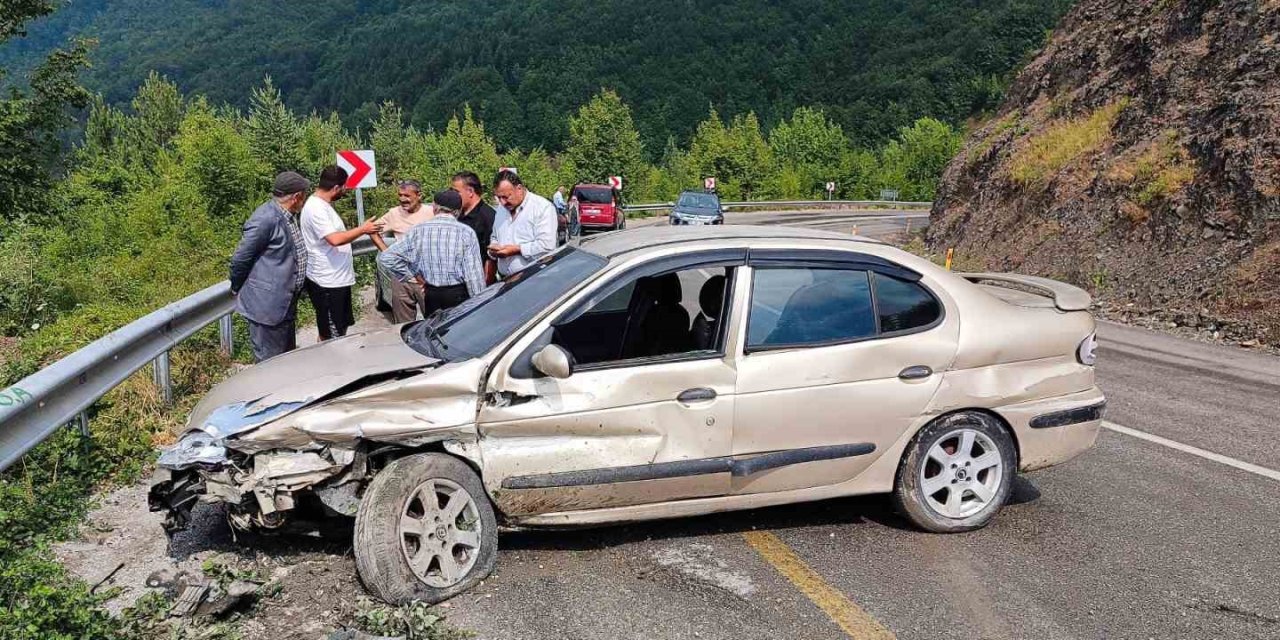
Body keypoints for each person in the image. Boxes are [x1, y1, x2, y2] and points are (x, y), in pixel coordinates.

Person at [228, 171, 311, 362]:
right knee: (270, 365)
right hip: (267, 308)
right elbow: (240, 259)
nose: (305, 200)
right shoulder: (265, 219)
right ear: (297, 197)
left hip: (285, 304)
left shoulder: (288, 216)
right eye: (304, 195)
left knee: (286, 361)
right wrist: (236, 285)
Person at [300, 165, 382, 341]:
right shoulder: (316, 209)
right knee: (332, 334)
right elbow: (335, 239)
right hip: (327, 281)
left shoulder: (323, 205)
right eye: (344, 186)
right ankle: (328, 358)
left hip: (337, 278)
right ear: (336, 187)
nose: (345, 190)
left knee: (340, 327)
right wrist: (363, 229)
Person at [378, 189, 486, 316]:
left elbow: (387, 258)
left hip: (431, 294)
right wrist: (480, 305)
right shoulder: (466, 232)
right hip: (457, 294)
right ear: (458, 210)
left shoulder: (419, 230)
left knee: (434, 327)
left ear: (434, 207)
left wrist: (412, 274)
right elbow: (474, 275)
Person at [371, 180, 434, 322]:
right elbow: (372, 230)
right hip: (401, 277)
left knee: (433, 321)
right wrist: (386, 252)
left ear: (419, 195)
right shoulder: (394, 213)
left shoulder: (431, 212)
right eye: (400, 195)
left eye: (407, 196)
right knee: (403, 325)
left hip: (427, 277)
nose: (402, 199)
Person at [489, 170, 558, 278]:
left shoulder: (542, 208)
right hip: (505, 278)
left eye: (506, 197)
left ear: (519, 189)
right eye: (499, 197)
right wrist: (494, 248)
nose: (502, 202)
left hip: (534, 278)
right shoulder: (501, 209)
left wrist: (518, 249)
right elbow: (495, 236)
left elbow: (547, 246)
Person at [450, 171, 497, 282]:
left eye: (456, 192)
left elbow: (491, 257)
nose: (453, 196)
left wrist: (485, 285)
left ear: (470, 191)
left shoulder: (488, 217)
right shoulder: (457, 215)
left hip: (478, 282)